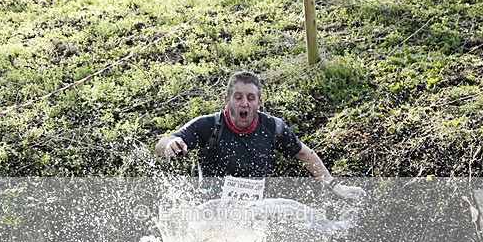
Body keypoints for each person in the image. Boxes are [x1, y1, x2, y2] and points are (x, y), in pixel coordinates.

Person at [155, 70, 364, 201]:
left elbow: (304, 155)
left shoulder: (273, 128)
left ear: (259, 102)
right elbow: (161, 144)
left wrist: (335, 186)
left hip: (251, 211)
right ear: (227, 100)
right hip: (210, 211)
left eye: (250, 98)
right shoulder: (208, 125)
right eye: (238, 97)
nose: (244, 104)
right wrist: (169, 144)